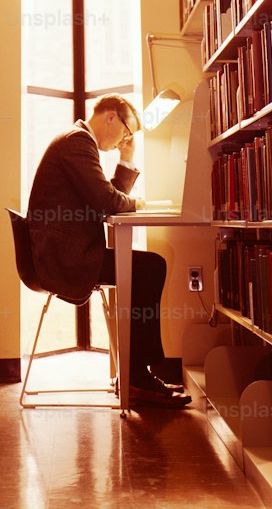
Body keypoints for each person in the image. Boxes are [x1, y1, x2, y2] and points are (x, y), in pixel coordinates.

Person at [26, 93, 192, 408]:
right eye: (126, 133)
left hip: (69, 250)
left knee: (145, 267)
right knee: (149, 267)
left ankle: (136, 376)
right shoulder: (77, 142)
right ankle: (137, 378)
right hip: (64, 258)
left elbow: (106, 196)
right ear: (111, 117)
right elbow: (107, 202)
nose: (123, 140)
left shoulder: (76, 141)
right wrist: (137, 203)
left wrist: (126, 160)